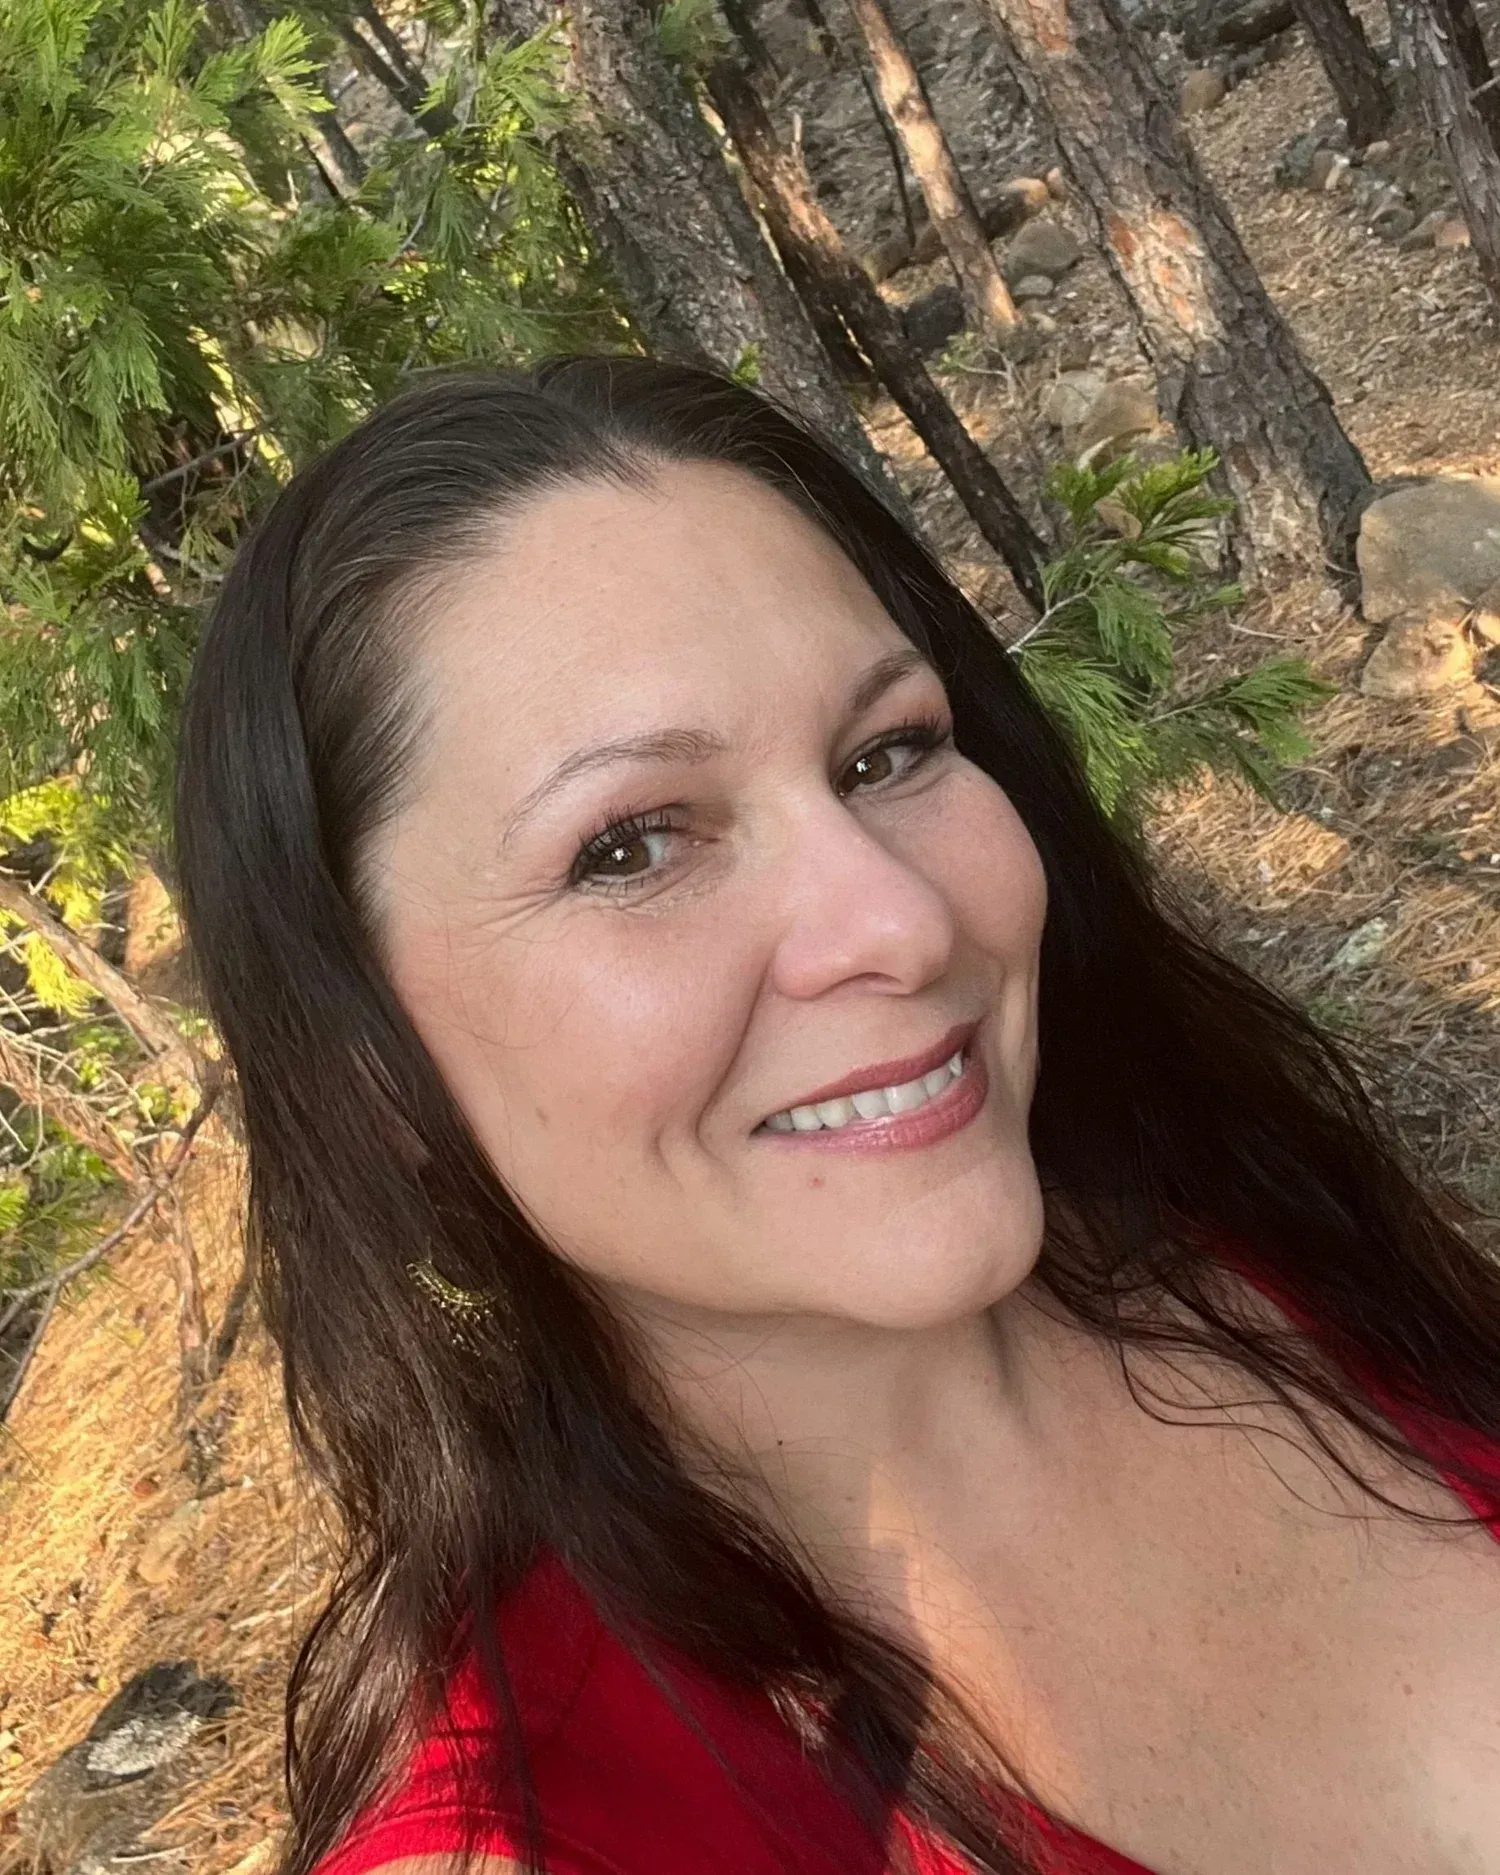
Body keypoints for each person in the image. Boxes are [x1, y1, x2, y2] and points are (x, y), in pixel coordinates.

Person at [173, 358, 1500, 1875]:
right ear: (366, 1066)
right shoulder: (552, 1833)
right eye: (629, 847)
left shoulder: (1239, 1242)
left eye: (888, 752)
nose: (897, 918)